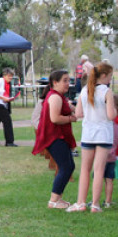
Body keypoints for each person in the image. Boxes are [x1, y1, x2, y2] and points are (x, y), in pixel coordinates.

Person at [67, 62, 116, 213]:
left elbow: (79, 114)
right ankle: (95, 204)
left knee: (85, 169)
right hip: (104, 134)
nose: (110, 79)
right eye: (109, 76)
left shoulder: (84, 90)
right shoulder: (107, 92)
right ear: (104, 76)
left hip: (88, 133)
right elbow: (111, 115)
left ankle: (80, 202)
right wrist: (113, 108)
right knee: (99, 170)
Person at [32, 70, 78, 209]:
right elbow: (55, 118)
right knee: (65, 167)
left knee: (69, 166)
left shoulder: (60, 97)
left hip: (60, 136)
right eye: (64, 80)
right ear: (55, 82)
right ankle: (53, 201)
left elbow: (73, 108)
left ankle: (58, 198)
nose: (67, 83)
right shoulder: (55, 97)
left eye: (68, 80)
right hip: (54, 137)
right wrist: (71, 118)